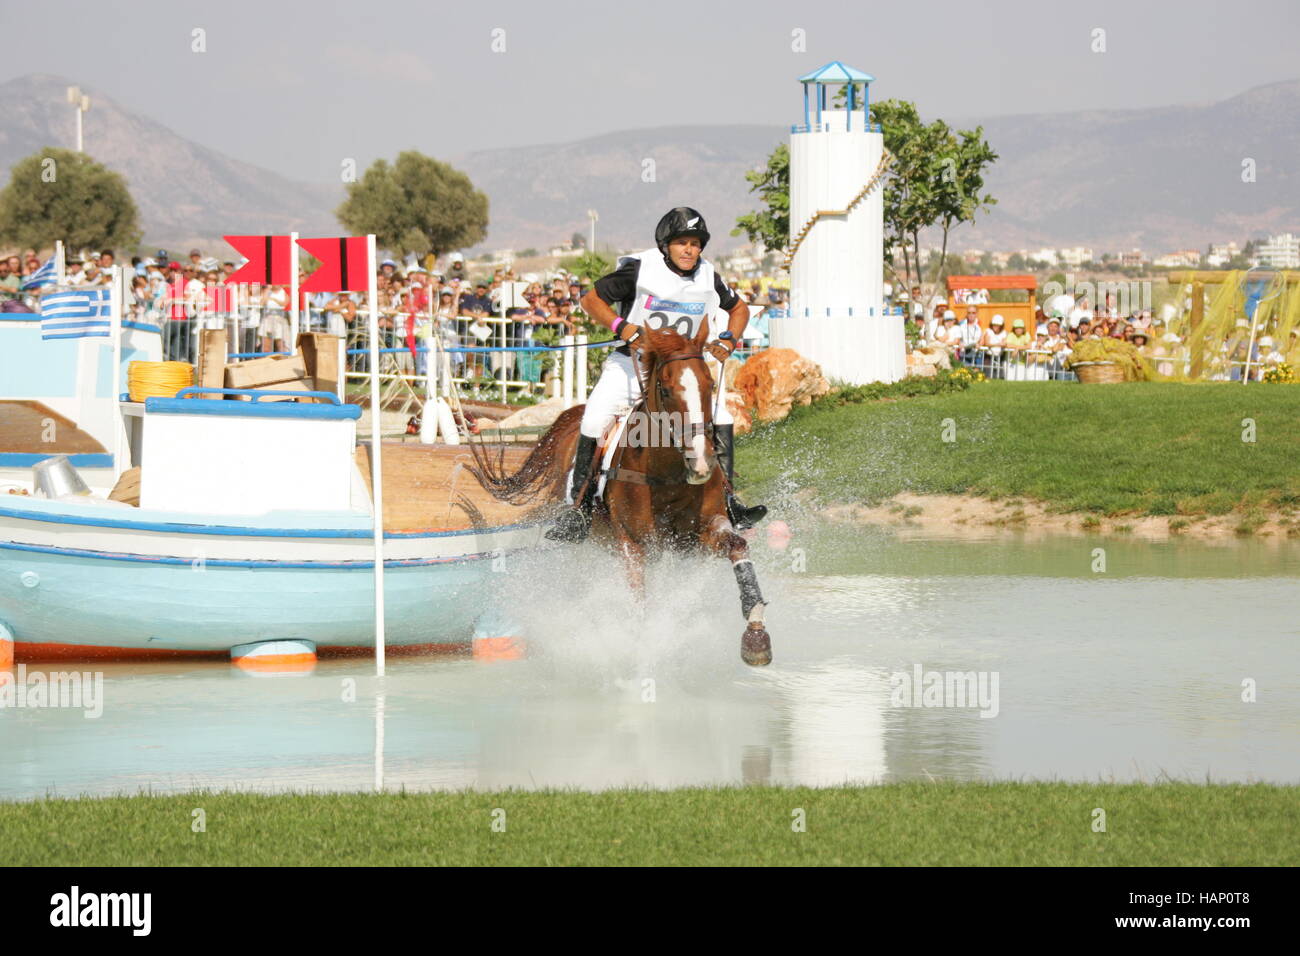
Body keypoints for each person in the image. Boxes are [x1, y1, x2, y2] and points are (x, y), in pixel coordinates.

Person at [546, 206, 766, 543]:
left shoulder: (709, 275)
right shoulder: (639, 269)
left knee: (722, 418)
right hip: (630, 366)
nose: (690, 250)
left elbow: (739, 309)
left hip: (681, 374)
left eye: (695, 244)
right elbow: (591, 300)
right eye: (682, 243)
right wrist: (622, 327)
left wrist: (729, 339)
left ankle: (730, 501)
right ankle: (578, 509)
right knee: (592, 421)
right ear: (666, 245)